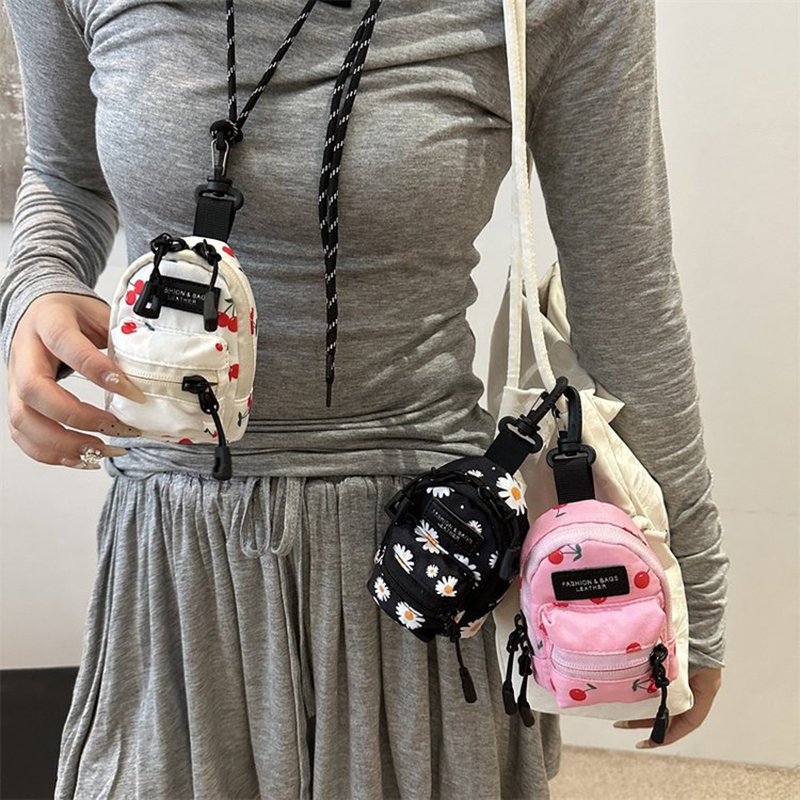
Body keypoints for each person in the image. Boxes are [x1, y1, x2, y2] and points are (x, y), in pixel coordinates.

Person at [1, 0, 729, 797]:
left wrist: (689, 589)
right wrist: (36, 287)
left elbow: (623, 287)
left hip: (423, 559)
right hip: (177, 551)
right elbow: (64, 175)